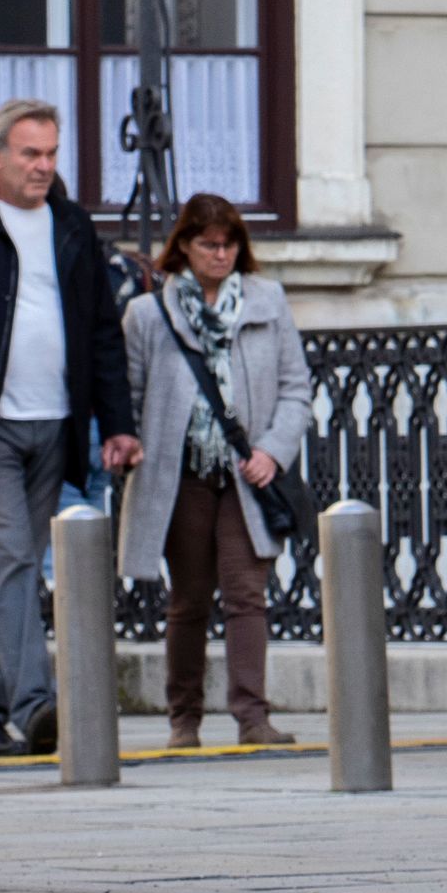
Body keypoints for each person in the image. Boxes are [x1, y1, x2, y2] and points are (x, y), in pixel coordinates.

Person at [0, 101, 138, 759]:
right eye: (30, 153)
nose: (43, 166)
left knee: (10, 571)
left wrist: (117, 424)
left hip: (57, 425)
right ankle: (39, 706)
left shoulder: (71, 225)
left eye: (51, 154)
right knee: (12, 561)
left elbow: (101, 331)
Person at [119, 196, 312, 749]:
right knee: (189, 598)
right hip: (179, 474)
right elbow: (131, 396)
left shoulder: (267, 301)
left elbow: (297, 388)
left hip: (248, 476)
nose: (220, 254)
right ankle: (185, 720)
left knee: (247, 593)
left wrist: (272, 451)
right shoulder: (150, 313)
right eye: (208, 244)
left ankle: (253, 716)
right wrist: (129, 444)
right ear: (184, 246)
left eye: (229, 244)